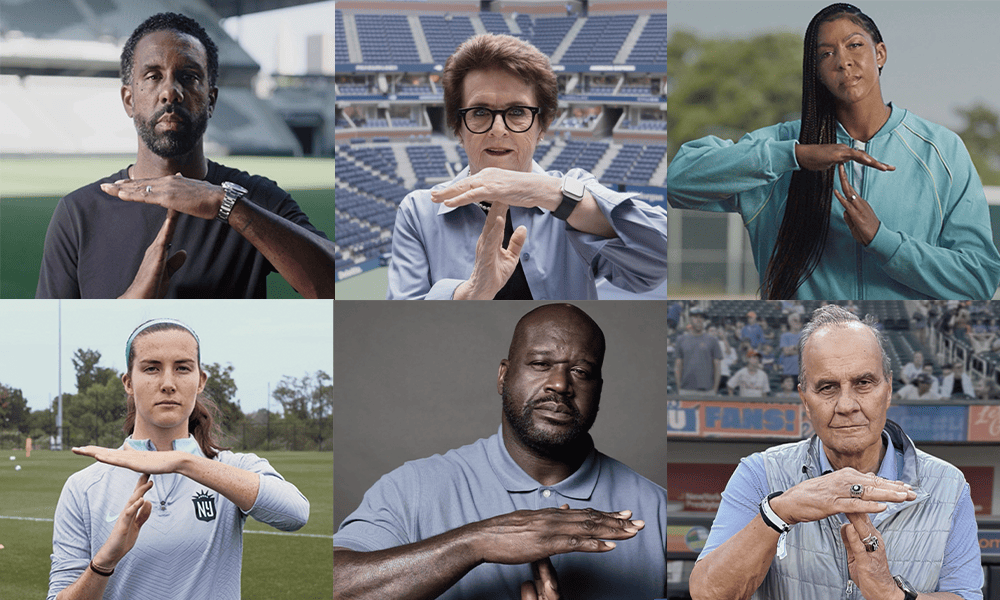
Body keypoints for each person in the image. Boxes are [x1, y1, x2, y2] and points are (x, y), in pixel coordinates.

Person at [667, 3, 1000, 300]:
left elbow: (979, 278)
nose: (843, 62)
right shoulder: (780, 145)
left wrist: (883, 241)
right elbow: (677, 181)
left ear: (880, 53)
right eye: (826, 53)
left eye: (854, 45)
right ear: (816, 70)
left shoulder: (941, 149)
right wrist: (793, 157)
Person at [333, 304, 668, 599]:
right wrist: (476, 542)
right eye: (540, 363)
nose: (561, 384)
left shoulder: (655, 510)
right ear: (503, 376)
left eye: (581, 372)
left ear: (598, 390)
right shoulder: (412, 487)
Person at [688, 305, 983, 600]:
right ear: (805, 398)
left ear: (888, 389)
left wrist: (892, 595)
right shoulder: (760, 474)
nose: (846, 405)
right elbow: (706, 594)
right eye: (827, 387)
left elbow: (965, 595)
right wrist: (779, 512)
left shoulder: (948, 485)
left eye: (863, 383)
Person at [36, 13, 335, 299]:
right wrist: (128, 306)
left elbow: (343, 287)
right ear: (129, 100)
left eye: (189, 76)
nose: (170, 92)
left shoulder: (256, 199)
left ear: (211, 101)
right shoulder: (78, 213)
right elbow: (49, 342)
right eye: (153, 76)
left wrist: (227, 204)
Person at [386, 33, 668, 300]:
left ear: (542, 126)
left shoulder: (576, 194)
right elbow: (401, 318)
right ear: (458, 128)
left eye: (517, 112)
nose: (498, 130)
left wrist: (554, 196)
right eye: (480, 112)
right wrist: (470, 293)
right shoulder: (419, 213)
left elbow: (664, 259)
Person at [48, 319, 309, 600]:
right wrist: (104, 562)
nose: (168, 384)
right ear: (128, 382)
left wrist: (183, 462)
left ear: (200, 381)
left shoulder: (231, 468)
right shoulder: (84, 486)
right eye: (151, 368)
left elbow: (295, 514)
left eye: (183, 368)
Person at [675, 307, 722, 394]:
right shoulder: (681, 340)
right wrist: (679, 389)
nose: (699, 320)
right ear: (690, 319)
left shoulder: (712, 340)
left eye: (701, 317)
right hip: (686, 390)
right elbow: (678, 366)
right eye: (695, 317)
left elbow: (717, 367)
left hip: (707, 391)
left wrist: (714, 390)